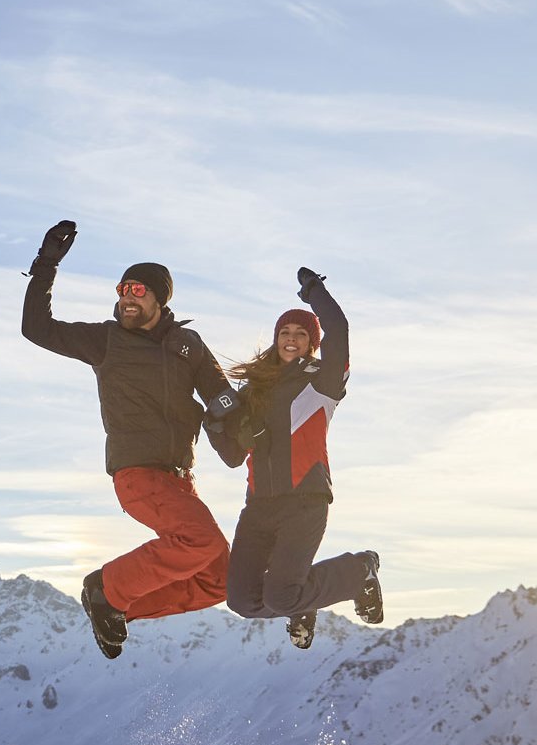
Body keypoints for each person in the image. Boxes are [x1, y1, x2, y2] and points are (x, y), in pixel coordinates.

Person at [21, 220, 244, 659]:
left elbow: (221, 397)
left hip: (180, 479)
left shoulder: (188, 344)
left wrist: (244, 434)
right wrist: (46, 266)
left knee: (222, 578)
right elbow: (37, 328)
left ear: (160, 298)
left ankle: (119, 607)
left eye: (138, 292)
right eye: (122, 291)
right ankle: (105, 589)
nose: (126, 299)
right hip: (138, 474)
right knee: (203, 543)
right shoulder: (106, 341)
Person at [207, 267, 381, 650]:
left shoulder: (323, 380)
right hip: (258, 508)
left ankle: (359, 570)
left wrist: (314, 292)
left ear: (311, 343)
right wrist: (215, 427)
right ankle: (305, 602)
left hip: (304, 501)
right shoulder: (254, 389)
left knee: (281, 596)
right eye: (285, 332)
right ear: (275, 339)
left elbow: (340, 330)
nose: (291, 339)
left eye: (301, 334)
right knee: (242, 601)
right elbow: (234, 457)